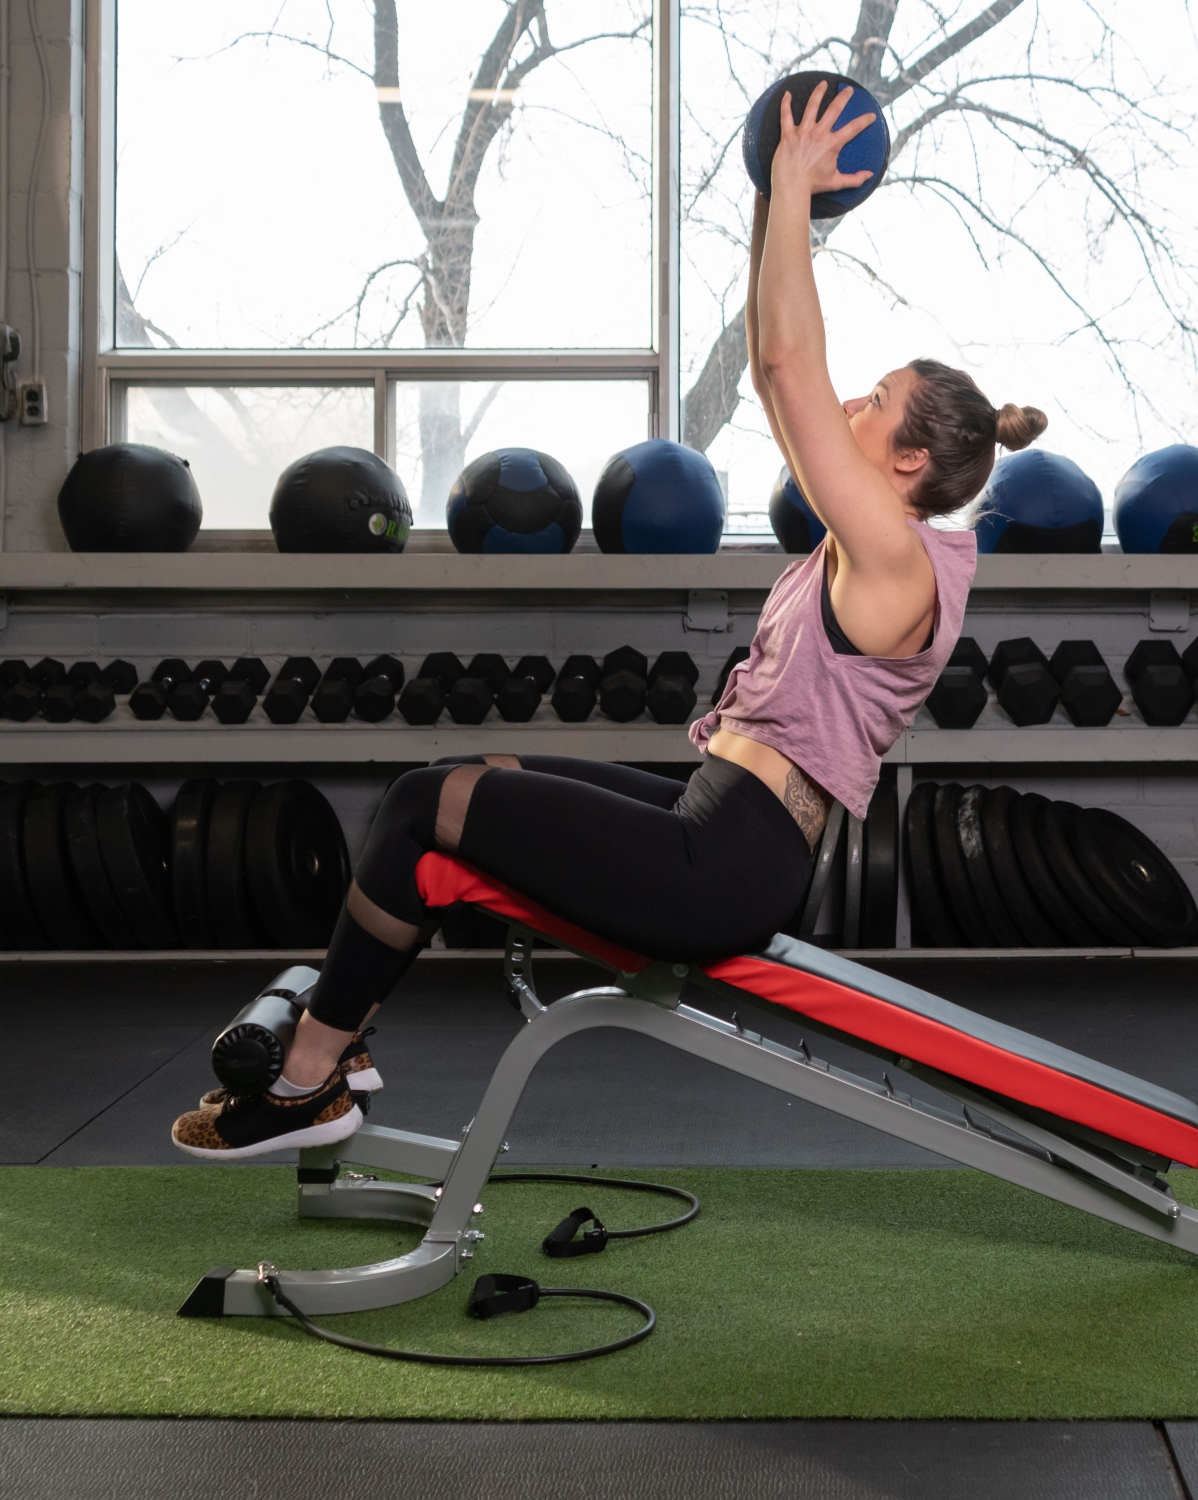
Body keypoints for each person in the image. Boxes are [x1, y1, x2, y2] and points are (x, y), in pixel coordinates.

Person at [170, 81, 1046, 1160]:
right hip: (716, 814)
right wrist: (776, 215)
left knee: (421, 804)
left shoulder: (898, 562)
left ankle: (308, 1077)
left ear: (912, 461)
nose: (848, 407)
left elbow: (788, 366)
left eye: (874, 401)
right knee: (460, 778)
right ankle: (337, 1052)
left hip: (725, 861)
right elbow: (782, 383)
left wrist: (790, 189)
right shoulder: (874, 547)